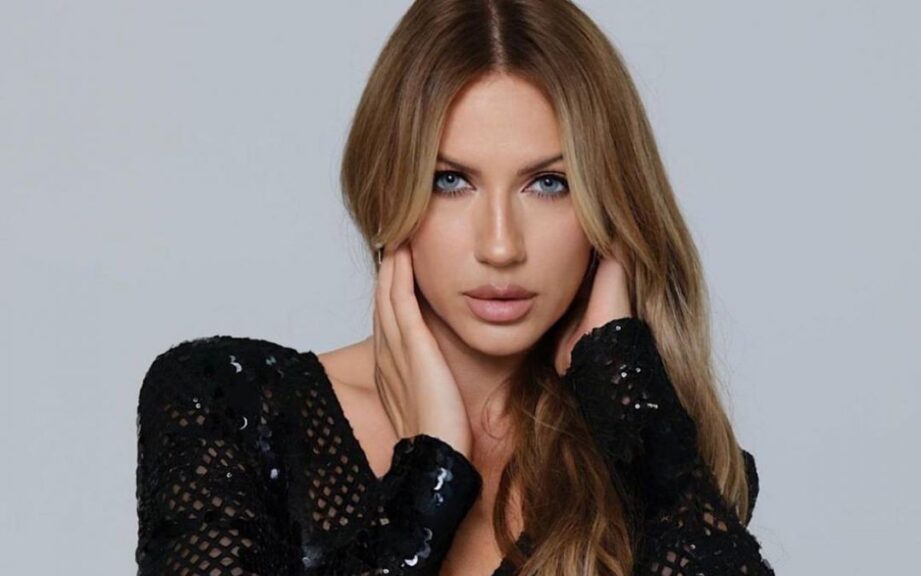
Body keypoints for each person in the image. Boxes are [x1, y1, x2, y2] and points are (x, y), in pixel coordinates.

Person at [134, 1, 776, 574]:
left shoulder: (657, 455)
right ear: (386, 190)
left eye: (549, 184)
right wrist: (431, 469)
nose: (501, 246)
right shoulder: (227, 408)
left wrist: (630, 395)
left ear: (608, 209)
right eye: (451, 180)